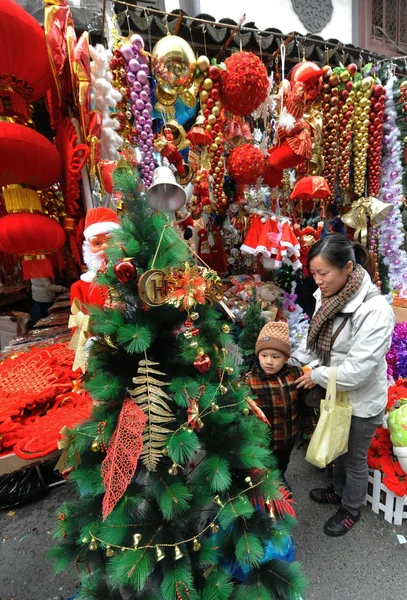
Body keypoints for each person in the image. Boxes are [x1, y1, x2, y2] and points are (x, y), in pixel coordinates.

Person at [295, 235, 395, 537]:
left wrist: (317, 375)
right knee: (337, 446)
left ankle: (351, 508)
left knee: (353, 457)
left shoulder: (375, 310)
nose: (318, 281)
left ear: (348, 268)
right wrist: (292, 357)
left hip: (361, 399)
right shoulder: (327, 297)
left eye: (323, 273)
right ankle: (338, 491)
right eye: (313, 273)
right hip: (336, 393)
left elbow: (357, 371)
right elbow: (315, 345)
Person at [244, 321, 304, 485]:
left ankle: (280, 477)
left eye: (275, 356)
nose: (268, 361)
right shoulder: (251, 379)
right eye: (264, 356)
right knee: (263, 468)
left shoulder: (295, 374)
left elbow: (303, 404)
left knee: (282, 463)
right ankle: (265, 488)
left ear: (286, 357)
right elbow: (245, 411)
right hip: (263, 440)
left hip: (287, 436)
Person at [70, 207, 121, 310]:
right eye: (97, 243)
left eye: (111, 240)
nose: (105, 247)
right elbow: (78, 323)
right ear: (88, 248)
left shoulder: (135, 278)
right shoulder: (80, 287)